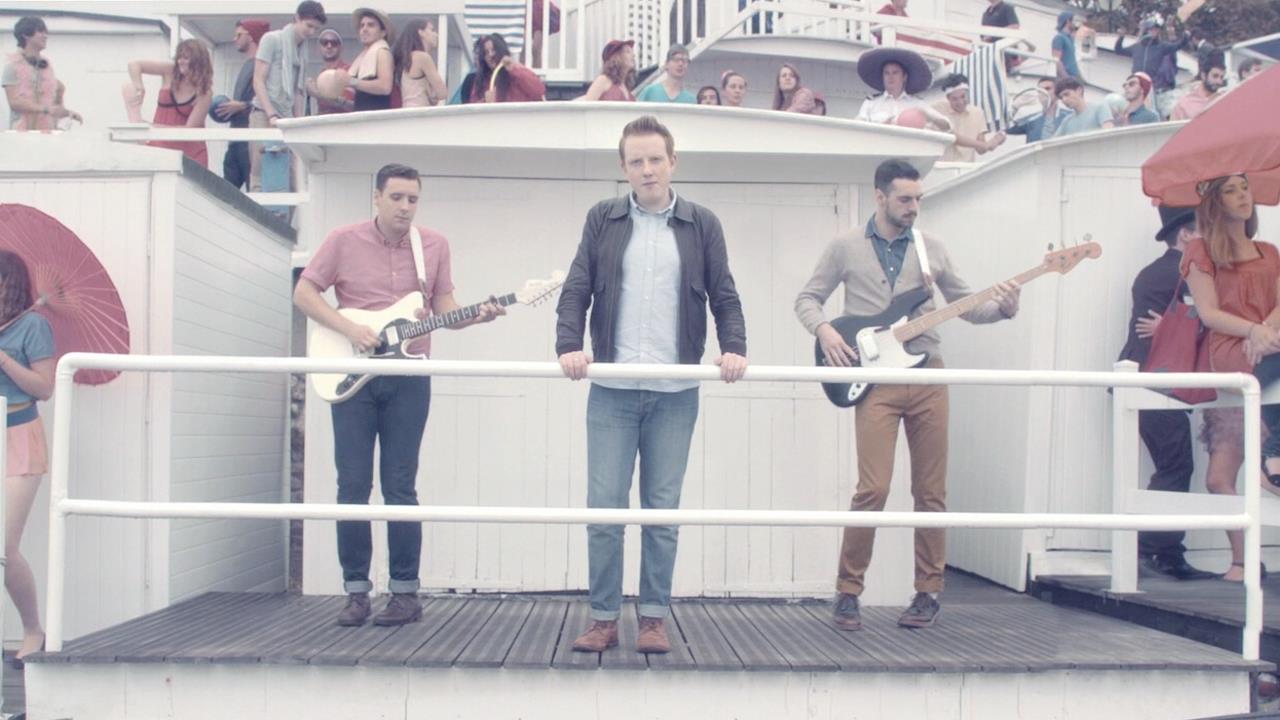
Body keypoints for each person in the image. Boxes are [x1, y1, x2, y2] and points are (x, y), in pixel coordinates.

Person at [795, 158, 1019, 631]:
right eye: (904, 199)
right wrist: (826, 333)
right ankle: (848, 592)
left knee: (931, 492)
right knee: (872, 488)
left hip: (928, 376)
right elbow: (807, 299)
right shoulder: (845, 246)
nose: (914, 206)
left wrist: (1004, 309)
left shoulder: (931, 247)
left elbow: (967, 307)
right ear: (880, 197)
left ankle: (927, 592)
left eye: (918, 198)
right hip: (875, 382)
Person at [557, 115, 748, 654]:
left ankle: (653, 619)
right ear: (624, 168)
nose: (647, 170)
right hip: (612, 390)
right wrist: (569, 345)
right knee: (604, 511)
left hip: (675, 392)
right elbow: (576, 289)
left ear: (672, 162)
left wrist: (734, 346)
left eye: (655, 159)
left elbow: (724, 294)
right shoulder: (603, 218)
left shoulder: (701, 223)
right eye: (636, 161)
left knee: (662, 512)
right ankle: (602, 618)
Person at [294, 163, 505, 625]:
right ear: (377, 197)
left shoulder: (434, 246)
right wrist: (350, 328)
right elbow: (304, 293)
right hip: (353, 374)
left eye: (413, 199)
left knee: (400, 485)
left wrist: (479, 315)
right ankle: (356, 593)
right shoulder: (342, 240)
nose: (405, 207)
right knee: (352, 484)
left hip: (409, 376)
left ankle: (405, 595)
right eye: (397, 197)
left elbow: (444, 309)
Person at [1181, 174, 1280, 582]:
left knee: (1219, 476)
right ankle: (1271, 458)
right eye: (1230, 190)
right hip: (1230, 353)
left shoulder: (1269, 251)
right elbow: (1209, 314)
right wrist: (1253, 331)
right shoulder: (1201, 250)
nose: (1242, 196)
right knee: (1220, 478)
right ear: (1215, 202)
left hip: (1269, 348)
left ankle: (1243, 564)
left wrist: (1265, 332)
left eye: (1245, 187)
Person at [1118, 205, 1214, 581]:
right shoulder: (1179, 274)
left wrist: (1172, 325)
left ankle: (1159, 550)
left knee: (1173, 464)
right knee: (1176, 465)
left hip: (1149, 381)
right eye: (1203, 231)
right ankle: (1157, 551)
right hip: (1156, 383)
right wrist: (1180, 325)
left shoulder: (1158, 272)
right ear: (1186, 235)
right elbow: (1211, 317)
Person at [0, 250, 55, 667]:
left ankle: (33, 629)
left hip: (19, 435)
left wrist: (3, 358)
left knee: (3, 547)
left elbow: (44, 387)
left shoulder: (33, 325)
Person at [251, 1, 327, 191]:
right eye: (309, 25)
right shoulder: (272, 39)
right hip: (263, 113)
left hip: (287, 117)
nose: (311, 32)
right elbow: (258, 80)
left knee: (294, 175)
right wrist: (271, 114)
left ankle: (289, 212)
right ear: (297, 18)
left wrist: (298, 121)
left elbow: (298, 90)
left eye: (316, 28)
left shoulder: (302, 51)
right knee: (260, 172)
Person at [127, 39, 214, 167]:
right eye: (179, 57)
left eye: (186, 58)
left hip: (190, 152)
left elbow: (190, 130)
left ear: (198, 61)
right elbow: (134, 64)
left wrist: (153, 127)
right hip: (159, 145)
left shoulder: (204, 92)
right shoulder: (170, 71)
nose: (180, 61)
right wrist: (139, 86)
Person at [3, 16, 81, 131]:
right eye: (40, 31)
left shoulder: (47, 68)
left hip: (45, 134)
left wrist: (67, 113)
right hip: (21, 135)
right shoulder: (12, 67)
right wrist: (45, 109)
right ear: (26, 35)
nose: (45, 36)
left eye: (46, 32)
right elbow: (14, 102)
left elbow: (54, 102)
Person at [217, 20, 268, 188]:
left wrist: (242, 105)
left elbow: (267, 98)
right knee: (226, 193)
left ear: (251, 36)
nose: (234, 39)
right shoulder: (247, 64)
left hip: (250, 140)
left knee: (254, 190)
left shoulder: (262, 66)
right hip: (236, 139)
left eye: (239, 35)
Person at [855, 48, 950, 130]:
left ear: (904, 77)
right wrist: (882, 126)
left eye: (895, 73)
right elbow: (858, 128)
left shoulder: (917, 104)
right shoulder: (871, 103)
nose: (890, 77)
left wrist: (928, 115)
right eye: (886, 73)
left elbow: (947, 127)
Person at [1114, 14, 1188, 119]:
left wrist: (1185, 34)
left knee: (1151, 113)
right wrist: (1121, 37)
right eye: (1152, 29)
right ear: (1147, 31)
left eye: (1156, 30)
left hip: (1150, 88)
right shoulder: (1137, 47)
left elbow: (1179, 45)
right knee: (1128, 112)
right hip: (1135, 86)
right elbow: (1118, 50)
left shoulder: (1161, 46)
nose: (1154, 32)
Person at [932, 73, 1004, 162]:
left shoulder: (978, 113)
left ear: (968, 93)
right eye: (954, 99)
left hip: (967, 168)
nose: (960, 102)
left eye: (963, 96)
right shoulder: (938, 109)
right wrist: (985, 145)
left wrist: (995, 141)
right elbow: (952, 137)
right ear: (948, 98)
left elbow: (981, 150)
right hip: (942, 167)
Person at [470, 33, 545, 103]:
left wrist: (515, 69)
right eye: (486, 53)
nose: (491, 54)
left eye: (494, 50)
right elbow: (472, 107)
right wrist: (485, 102)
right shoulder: (481, 80)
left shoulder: (516, 73)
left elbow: (539, 91)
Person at [346, 8, 395, 111]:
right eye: (362, 25)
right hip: (362, 115)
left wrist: (352, 81)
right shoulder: (362, 56)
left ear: (383, 32)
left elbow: (385, 87)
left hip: (376, 116)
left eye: (371, 25)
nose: (364, 29)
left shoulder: (382, 52)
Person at [393, 18, 447, 108]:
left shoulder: (408, 57)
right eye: (432, 30)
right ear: (421, 32)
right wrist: (433, 95)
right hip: (420, 110)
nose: (436, 35)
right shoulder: (423, 57)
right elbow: (442, 93)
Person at [1006, 77, 1070, 143]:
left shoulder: (1069, 116)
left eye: (1047, 89)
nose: (1043, 92)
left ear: (1057, 92)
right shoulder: (1031, 119)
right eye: (1039, 91)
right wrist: (1015, 107)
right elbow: (1006, 128)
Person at [307, 29, 354, 114]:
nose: (329, 46)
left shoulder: (349, 70)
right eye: (325, 42)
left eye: (334, 43)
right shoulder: (321, 74)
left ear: (341, 48)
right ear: (319, 48)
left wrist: (316, 93)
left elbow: (353, 106)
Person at [1171, 54, 1226, 121]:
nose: (1219, 81)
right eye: (1215, 76)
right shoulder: (1184, 104)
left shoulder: (1223, 100)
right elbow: (1175, 127)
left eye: (1221, 77)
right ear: (1203, 76)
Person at [1052, 10, 1082, 80]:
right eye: (1074, 20)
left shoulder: (1069, 38)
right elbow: (1056, 60)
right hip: (1066, 78)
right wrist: (1066, 78)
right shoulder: (1059, 38)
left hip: (1074, 77)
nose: (1076, 23)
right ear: (1068, 21)